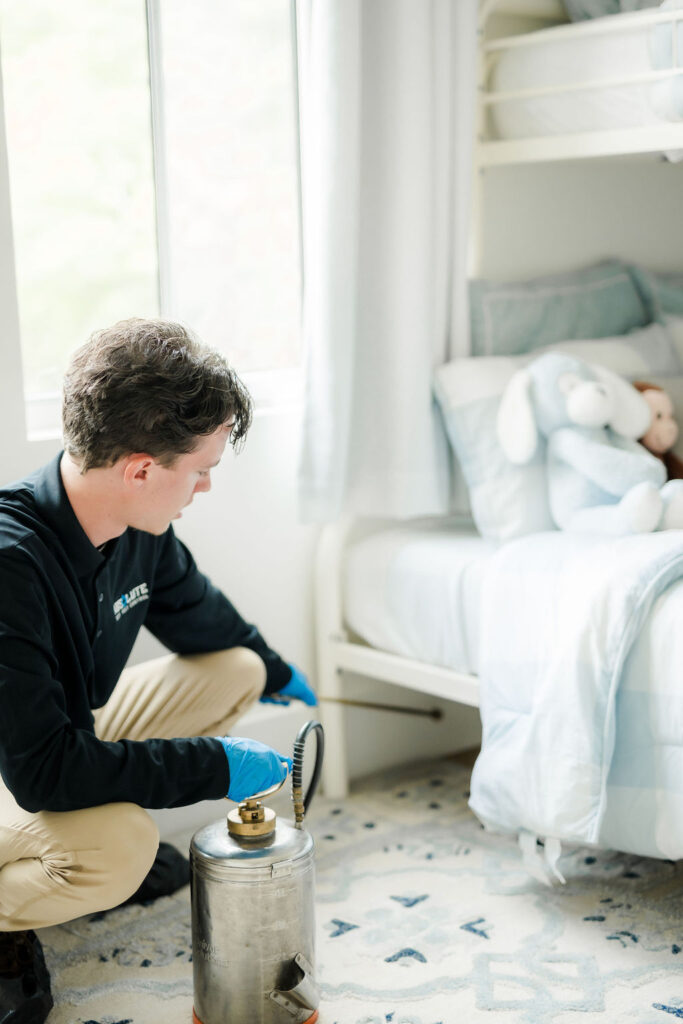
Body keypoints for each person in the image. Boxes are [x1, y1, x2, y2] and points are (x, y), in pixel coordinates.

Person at [0, 318, 316, 1023]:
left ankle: (76, 850)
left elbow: (198, 613)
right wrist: (212, 766)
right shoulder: (10, 563)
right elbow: (42, 772)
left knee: (233, 669)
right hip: (15, 767)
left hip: (53, 737)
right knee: (121, 848)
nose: (204, 486)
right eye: (201, 470)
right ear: (141, 469)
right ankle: (8, 924)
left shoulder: (137, 529)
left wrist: (273, 668)